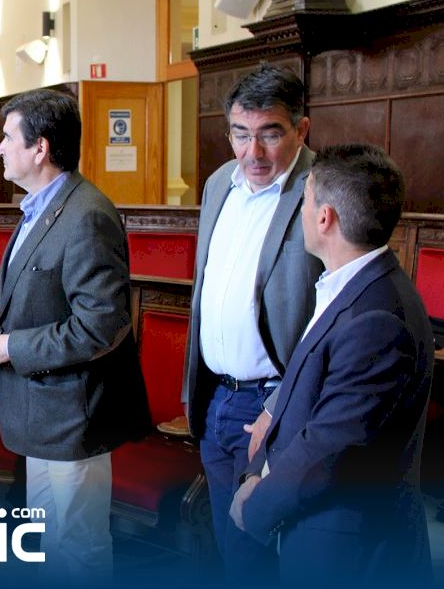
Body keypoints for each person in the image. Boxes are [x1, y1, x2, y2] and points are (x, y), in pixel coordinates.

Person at [0, 89, 150, 582]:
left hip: (74, 415)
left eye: (8, 138)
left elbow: (101, 324)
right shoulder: (41, 206)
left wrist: (9, 346)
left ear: (40, 147)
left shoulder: (87, 214)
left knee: (79, 548)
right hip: (43, 413)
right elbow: (51, 299)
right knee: (50, 544)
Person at [229, 144, 434, 584]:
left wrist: (258, 502)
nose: (301, 213)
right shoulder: (351, 287)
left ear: (325, 218)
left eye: (305, 201)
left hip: (353, 552)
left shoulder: (377, 316)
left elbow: (332, 445)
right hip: (321, 535)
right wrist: (254, 471)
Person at [181, 63, 324, 577]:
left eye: (270, 134)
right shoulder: (219, 183)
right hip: (215, 397)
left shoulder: (323, 188)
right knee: (230, 548)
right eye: (241, 134)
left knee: (257, 556)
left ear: (301, 129)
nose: (253, 152)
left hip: (272, 404)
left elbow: (334, 314)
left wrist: (280, 405)